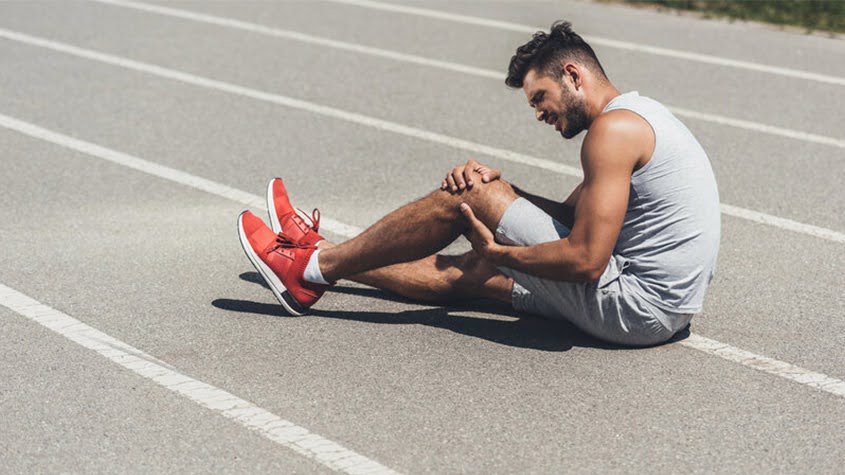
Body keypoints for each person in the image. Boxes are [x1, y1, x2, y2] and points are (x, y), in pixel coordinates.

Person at [237, 21, 720, 346]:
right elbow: (573, 217)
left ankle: (306, 268)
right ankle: (320, 258)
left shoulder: (612, 133)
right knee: (469, 270)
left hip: (632, 307)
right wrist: (503, 191)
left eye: (540, 97)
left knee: (468, 200)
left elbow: (586, 260)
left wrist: (500, 246)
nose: (538, 113)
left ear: (573, 75)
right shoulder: (639, 115)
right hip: (664, 312)